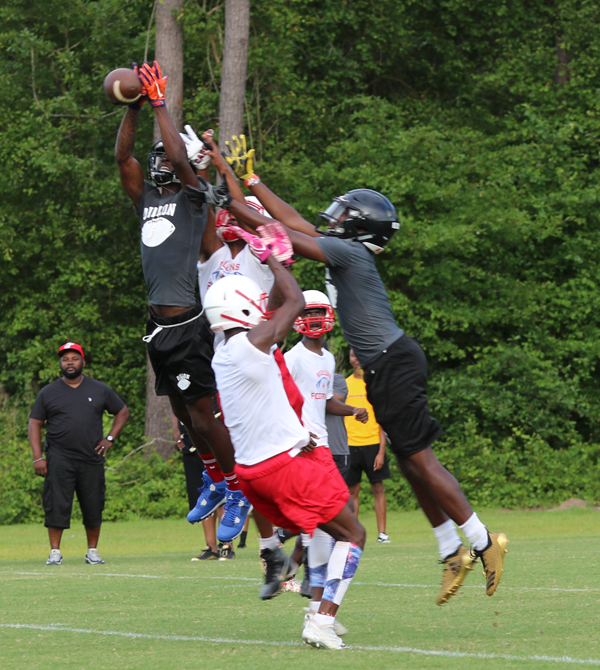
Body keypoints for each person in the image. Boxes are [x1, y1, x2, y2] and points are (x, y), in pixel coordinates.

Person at [219, 135, 509, 606]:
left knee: (422, 461)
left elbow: (283, 234)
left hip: (393, 362)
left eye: (340, 217)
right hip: (383, 367)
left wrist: (233, 203)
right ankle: (449, 548)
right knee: (411, 462)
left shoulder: (349, 254)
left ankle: (481, 542)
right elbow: (291, 222)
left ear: (358, 229)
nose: (330, 222)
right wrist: (249, 182)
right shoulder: (347, 250)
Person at [203, 240, 366, 650]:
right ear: (241, 306)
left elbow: (276, 305)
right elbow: (292, 297)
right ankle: (322, 619)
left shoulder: (228, 351)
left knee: (316, 528)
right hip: (284, 467)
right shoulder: (250, 346)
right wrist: (272, 255)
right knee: (354, 532)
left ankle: (277, 559)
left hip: (252, 476)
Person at [113, 60, 250, 543]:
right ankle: (214, 478)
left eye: (167, 156)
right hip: (157, 327)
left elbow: (176, 152)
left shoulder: (193, 196)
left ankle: (238, 489)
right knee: (185, 417)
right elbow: (122, 157)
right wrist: (131, 106)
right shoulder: (146, 197)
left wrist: (158, 103)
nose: (159, 160)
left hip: (188, 323)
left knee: (204, 415)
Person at [285, 290, 368, 634]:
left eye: (321, 311)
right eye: (310, 312)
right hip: (304, 451)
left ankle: (317, 610)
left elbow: (322, 403)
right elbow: (280, 401)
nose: (316, 319)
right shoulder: (290, 358)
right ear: (297, 319)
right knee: (349, 531)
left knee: (324, 532)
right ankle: (321, 618)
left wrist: (351, 410)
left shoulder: (328, 360)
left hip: (323, 450)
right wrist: (295, 438)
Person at [28, 342, 129, 565]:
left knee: (93, 504)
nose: (69, 362)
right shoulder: (49, 392)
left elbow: (122, 411)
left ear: (83, 362)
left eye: (74, 358)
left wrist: (109, 439)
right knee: (56, 504)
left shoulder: (99, 389)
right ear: (60, 364)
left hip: (91, 457)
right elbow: (35, 424)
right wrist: (38, 457)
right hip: (59, 457)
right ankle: (55, 552)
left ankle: (92, 551)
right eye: (65, 359)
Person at [170, 413, 232, 560]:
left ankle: (227, 546)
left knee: (220, 491)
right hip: (190, 443)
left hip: (212, 441)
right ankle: (211, 547)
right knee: (202, 494)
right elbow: (175, 406)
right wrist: (176, 430)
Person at [345, 348, 392, 544]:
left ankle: (382, 534)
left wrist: (381, 451)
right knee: (352, 491)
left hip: (373, 444)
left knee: (378, 488)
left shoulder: (374, 383)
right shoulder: (344, 384)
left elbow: (382, 420)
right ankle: (353, 534)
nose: (356, 359)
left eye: (359, 355)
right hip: (350, 445)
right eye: (352, 355)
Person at [325, 373, 352, 483]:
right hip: (312, 448)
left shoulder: (336, 379)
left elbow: (337, 398)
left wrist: (310, 390)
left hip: (336, 449)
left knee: (338, 493)